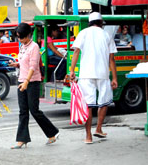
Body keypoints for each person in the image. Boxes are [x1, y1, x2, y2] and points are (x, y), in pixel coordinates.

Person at [9, 23, 60, 149]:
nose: (19, 40)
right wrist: (16, 64)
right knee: (23, 111)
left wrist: (26, 81)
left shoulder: (34, 47)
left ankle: (52, 133)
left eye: (21, 37)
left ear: (28, 35)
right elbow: (24, 63)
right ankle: (22, 139)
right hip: (22, 80)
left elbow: (33, 66)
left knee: (34, 111)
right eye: (18, 37)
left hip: (32, 82)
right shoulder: (22, 47)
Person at [70, 12, 118, 144]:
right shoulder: (107, 35)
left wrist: (72, 70)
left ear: (90, 22)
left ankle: (88, 136)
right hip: (102, 74)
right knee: (105, 101)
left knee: (88, 106)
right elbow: (111, 59)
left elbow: (76, 51)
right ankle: (98, 128)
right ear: (101, 22)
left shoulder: (83, 33)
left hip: (86, 74)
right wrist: (114, 78)